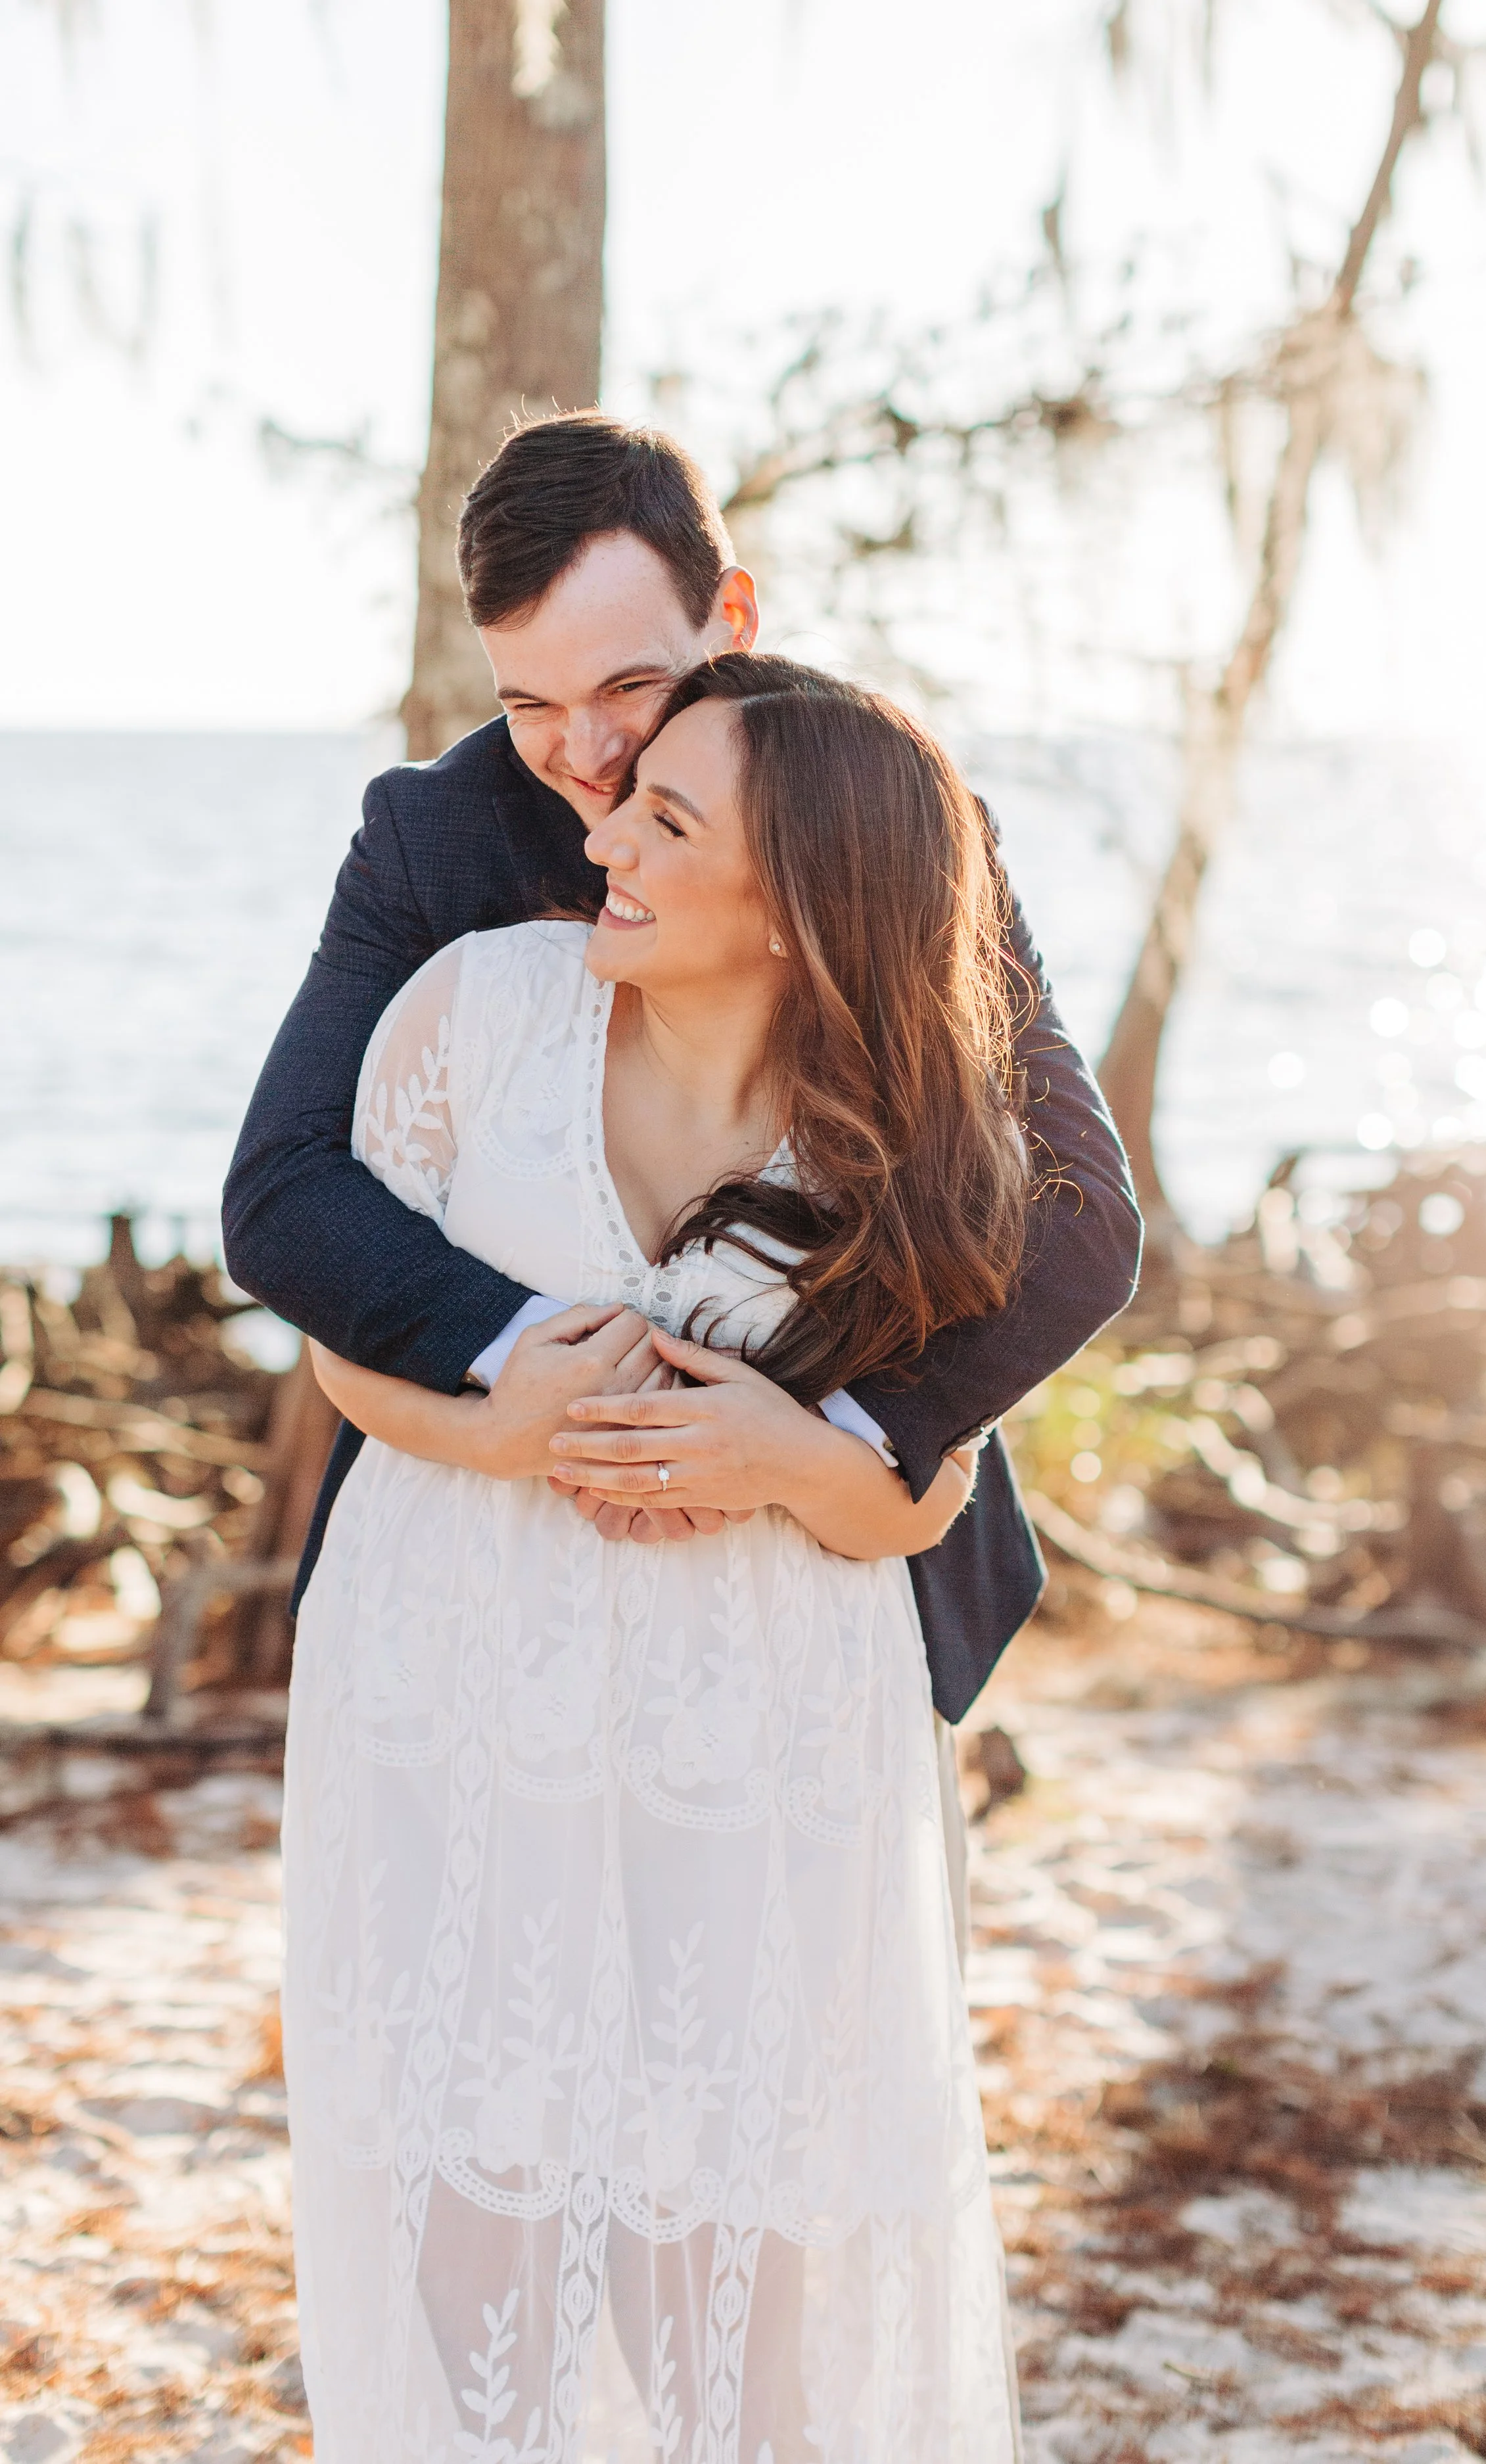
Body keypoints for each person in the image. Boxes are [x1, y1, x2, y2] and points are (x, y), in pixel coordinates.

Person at [283, 656, 1038, 2457]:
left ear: (800, 909)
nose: (602, 829)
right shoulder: (469, 1012)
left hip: (750, 1730)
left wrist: (783, 1452)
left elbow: (913, 1496)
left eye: (667, 818)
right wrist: (502, 1428)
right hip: (461, 1682)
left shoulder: (916, 1141)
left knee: (730, 2263)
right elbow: (341, 1334)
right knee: (474, 2229)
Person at [221, 413, 1142, 1737]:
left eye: (624, 689)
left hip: (820, 1592)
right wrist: (554, 1373)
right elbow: (284, 1191)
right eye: (529, 703)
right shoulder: (428, 840)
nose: (587, 759)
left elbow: (1081, 1216)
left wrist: (818, 1438)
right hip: (477, 1595)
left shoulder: (895, 826)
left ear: (734, 618)